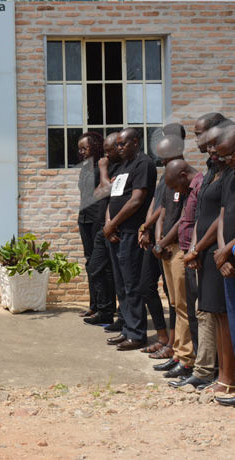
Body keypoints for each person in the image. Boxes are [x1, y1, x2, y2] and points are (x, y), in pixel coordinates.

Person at [175, 122, 234, 390]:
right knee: (217, 315)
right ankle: (220, 376)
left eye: (218, 147)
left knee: (223, 314)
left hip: (222, 253)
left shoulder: (227, 173)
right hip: (216, 253)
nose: (214, 152)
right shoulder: (220, 173)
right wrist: (209, 248)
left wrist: (224, 249)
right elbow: (218, 214)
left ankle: (225, 377)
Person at [103, 128, 157, 350]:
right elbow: (113, 198)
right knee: (121, 285)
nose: (119, 148)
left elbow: (136, 200)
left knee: (132, 284)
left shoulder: (143, 164)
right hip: (115, 232)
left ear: (136, 142)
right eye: (117, 145)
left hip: (131, 233)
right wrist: (109, 224)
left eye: (123, 144)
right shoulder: (122, 166)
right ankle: (126, 328)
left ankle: (137, 334)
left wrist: (113, 224)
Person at [138, 127, 185, 358]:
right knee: (146, 287)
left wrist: (163, 240)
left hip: (172, 245)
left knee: (174, 297)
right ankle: (163, 337)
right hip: (157, 241)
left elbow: (179, 215)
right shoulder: (165, 173)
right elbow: (159, 205)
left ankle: (175, 345)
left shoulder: (182, 173)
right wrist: (148, 229)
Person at [159, 159, 203, 379]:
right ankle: (178, 353)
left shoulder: (198, 186)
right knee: (176, 304)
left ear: (183, 175)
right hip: (175, 248)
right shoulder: (189, 187)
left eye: (176, 185)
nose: (175, 190)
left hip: (184, 251)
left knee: (184, 306)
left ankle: (187, 358)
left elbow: (191, 221)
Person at [84, 132, 120, 326]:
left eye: (110, 150)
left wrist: (103, 168)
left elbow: (106, 188)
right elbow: (97, 193)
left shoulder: (115, 168)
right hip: (102, 225)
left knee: (113, 272)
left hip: (114, 227)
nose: (106, 155)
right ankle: (104, 310)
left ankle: (116, 314)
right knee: (95, 267)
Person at [213, 125, 235, 405]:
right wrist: (222, 252)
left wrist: (227, 249)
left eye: (230, 155)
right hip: (228, 261)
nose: (226, 160)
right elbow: (222, 215)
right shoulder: (230, 178)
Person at [76, 131, 104, 319]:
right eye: (80, 149)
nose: (82, 152)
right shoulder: (85, 167)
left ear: (95, 146)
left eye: (85, 148)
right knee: (89, 262)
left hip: (97, 218)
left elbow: (105, 188)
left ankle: (104, 306)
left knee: (99, 263)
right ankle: (93, 305)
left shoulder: (103, 164)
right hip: (84, 217)